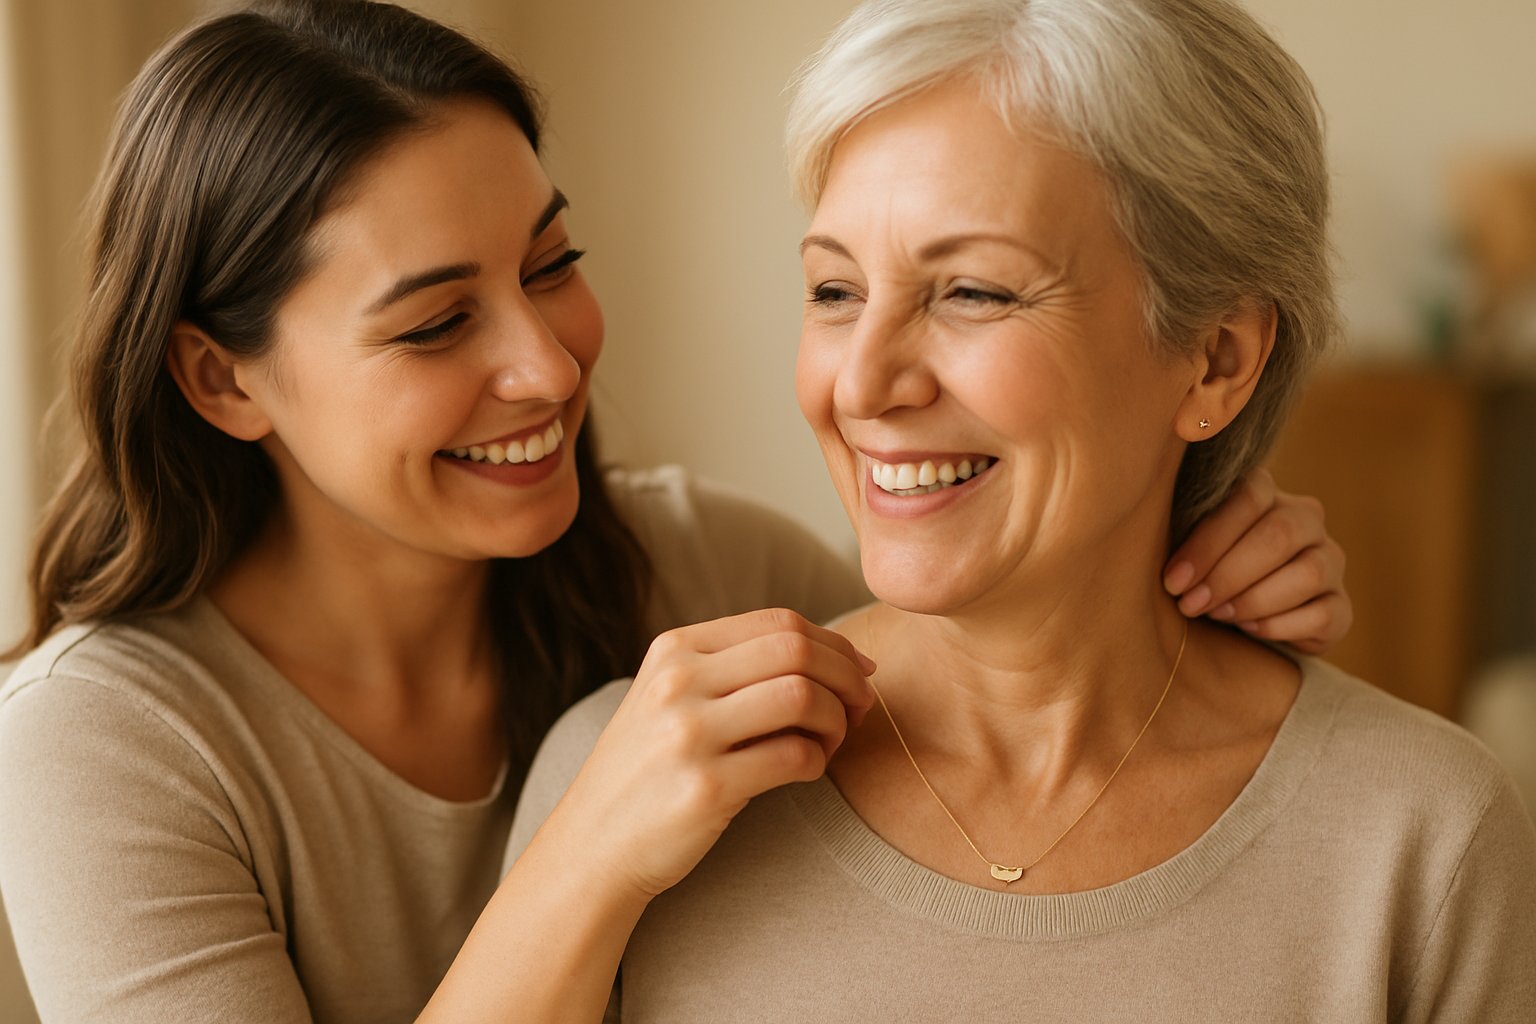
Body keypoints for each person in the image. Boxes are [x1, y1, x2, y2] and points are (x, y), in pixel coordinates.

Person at [0, 1, 1351, 1021]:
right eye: (434, 324)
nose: (547, 362)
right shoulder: (97, 741)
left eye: (552, 265)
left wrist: (1201, 526)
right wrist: (586, 853)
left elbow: (1006, 613)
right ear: (223, 379)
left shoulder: (708, 562)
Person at [502, 0, 1536, 1020]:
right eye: (834, 291)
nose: (862, 385)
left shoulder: (1421, 837)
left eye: (973, 293)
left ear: (1217, 358)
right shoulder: (624, 785)